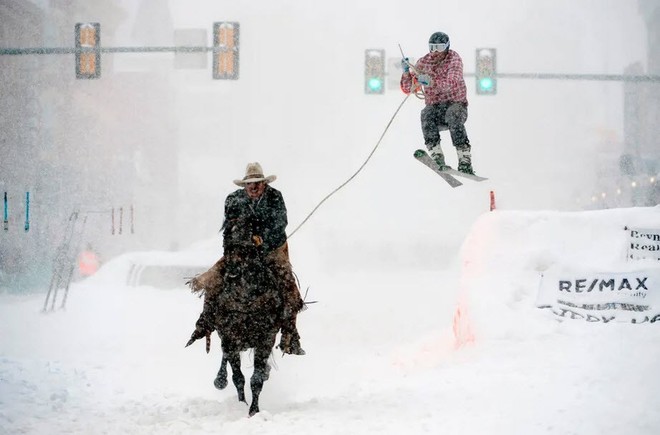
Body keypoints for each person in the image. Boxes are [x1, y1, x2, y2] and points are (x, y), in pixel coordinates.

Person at [189, 162, 305, 355]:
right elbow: (229, 228)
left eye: (257, 182)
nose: (253, 187)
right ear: (244, 185)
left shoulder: (275, 197)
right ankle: (205, 321)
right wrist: (239, 244)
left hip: (272, 250)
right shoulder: (232, 200)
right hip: (240, 251)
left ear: (264, 183)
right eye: (249, 183)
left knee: (288, 284)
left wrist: (263, 239)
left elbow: (280, 223)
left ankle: (290, 334)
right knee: (212, 279)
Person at [400, 31, 475, 175]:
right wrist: (406, 73)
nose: (435, 52)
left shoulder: (454, 59)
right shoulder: (424, 62)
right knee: (426, 114)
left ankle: (464, 160)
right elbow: (408, 88)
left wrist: (432, 82)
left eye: (439, 48)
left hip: (455, 105)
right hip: (436, 109)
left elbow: (452, 82)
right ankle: (437, 156)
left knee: (453, 114)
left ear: (447, 47)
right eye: (432, 47)